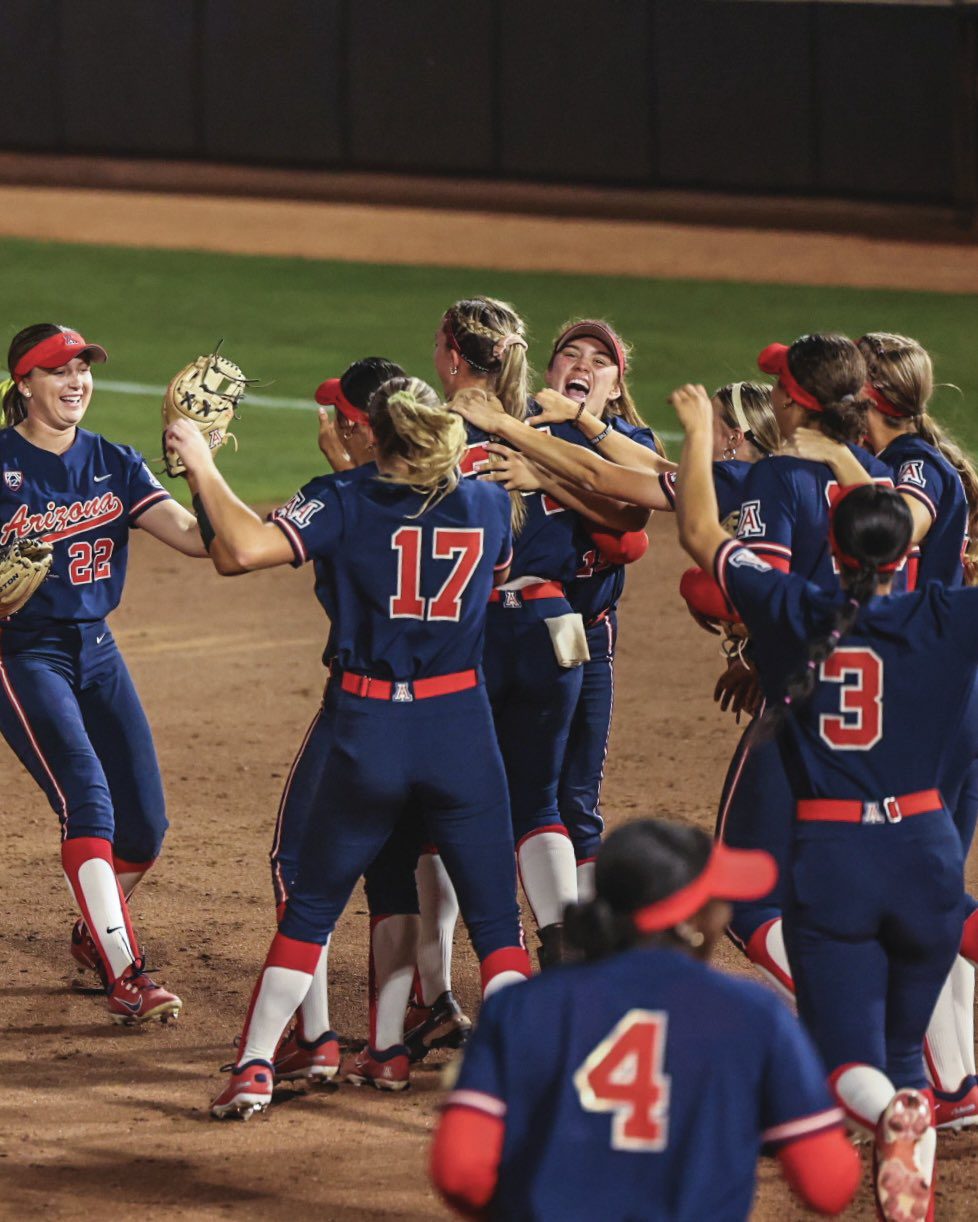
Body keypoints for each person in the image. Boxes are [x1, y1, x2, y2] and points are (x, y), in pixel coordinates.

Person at [165, 374, 533, 1116]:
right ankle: (523, 1084)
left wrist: (202, 461)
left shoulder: (341, 500)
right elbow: (489, 579)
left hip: (370, 731)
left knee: (311, 910)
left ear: (374, 433)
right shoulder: (492, 504)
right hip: (460, 727)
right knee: (497, 929)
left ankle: (256, 1069)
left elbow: (238, 550)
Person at [672, 379, 977, 1220]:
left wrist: (700, 431)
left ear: (836, 551)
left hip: (838, 861)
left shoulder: (794, 605)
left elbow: (701, 533)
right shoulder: (952, 617)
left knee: (852, 1058)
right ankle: (910, 1113)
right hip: (927, 853)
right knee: (901, 1047)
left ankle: (889, 1113)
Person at [430, 819, 861, 1221]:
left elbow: (460, 1173)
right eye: (717, 900)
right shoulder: (755, 1017)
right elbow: (826, 1186)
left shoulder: (521, 1008)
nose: (726, 912)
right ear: (690, 921)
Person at [785, 331, 978, 1126]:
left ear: (872, 398)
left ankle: (950, 1081)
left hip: (925, 699)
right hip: (917, 685)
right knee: (927, 887)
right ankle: (952, 1076)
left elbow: (898, 524)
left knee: (923, 885)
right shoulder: (903, 459)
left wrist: (832, 457)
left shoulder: (916, 468)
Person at [0, 323, 211, 1023]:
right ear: (24, 383)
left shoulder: (115, 462)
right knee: (88, 800)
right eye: (59, 370)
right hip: (22, 655)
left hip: (97, 651)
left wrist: (202, 467)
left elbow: (197, 541)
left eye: (83, 368)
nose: (77, 381)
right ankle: (128, 975)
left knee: (145, 828)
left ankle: (96, 933)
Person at [434, 299, 648, 970]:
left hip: (565, 636)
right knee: (533, 798)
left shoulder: (620, 442)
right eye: (570, 356)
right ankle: (547, 946)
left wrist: (543, 472)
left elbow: (629, 527)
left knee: (562, 798)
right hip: (551, 627)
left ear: (617, 381)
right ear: (544, 365)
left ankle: (574, 952)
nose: (582, 367)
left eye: (600, 360)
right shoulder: (519, 423)